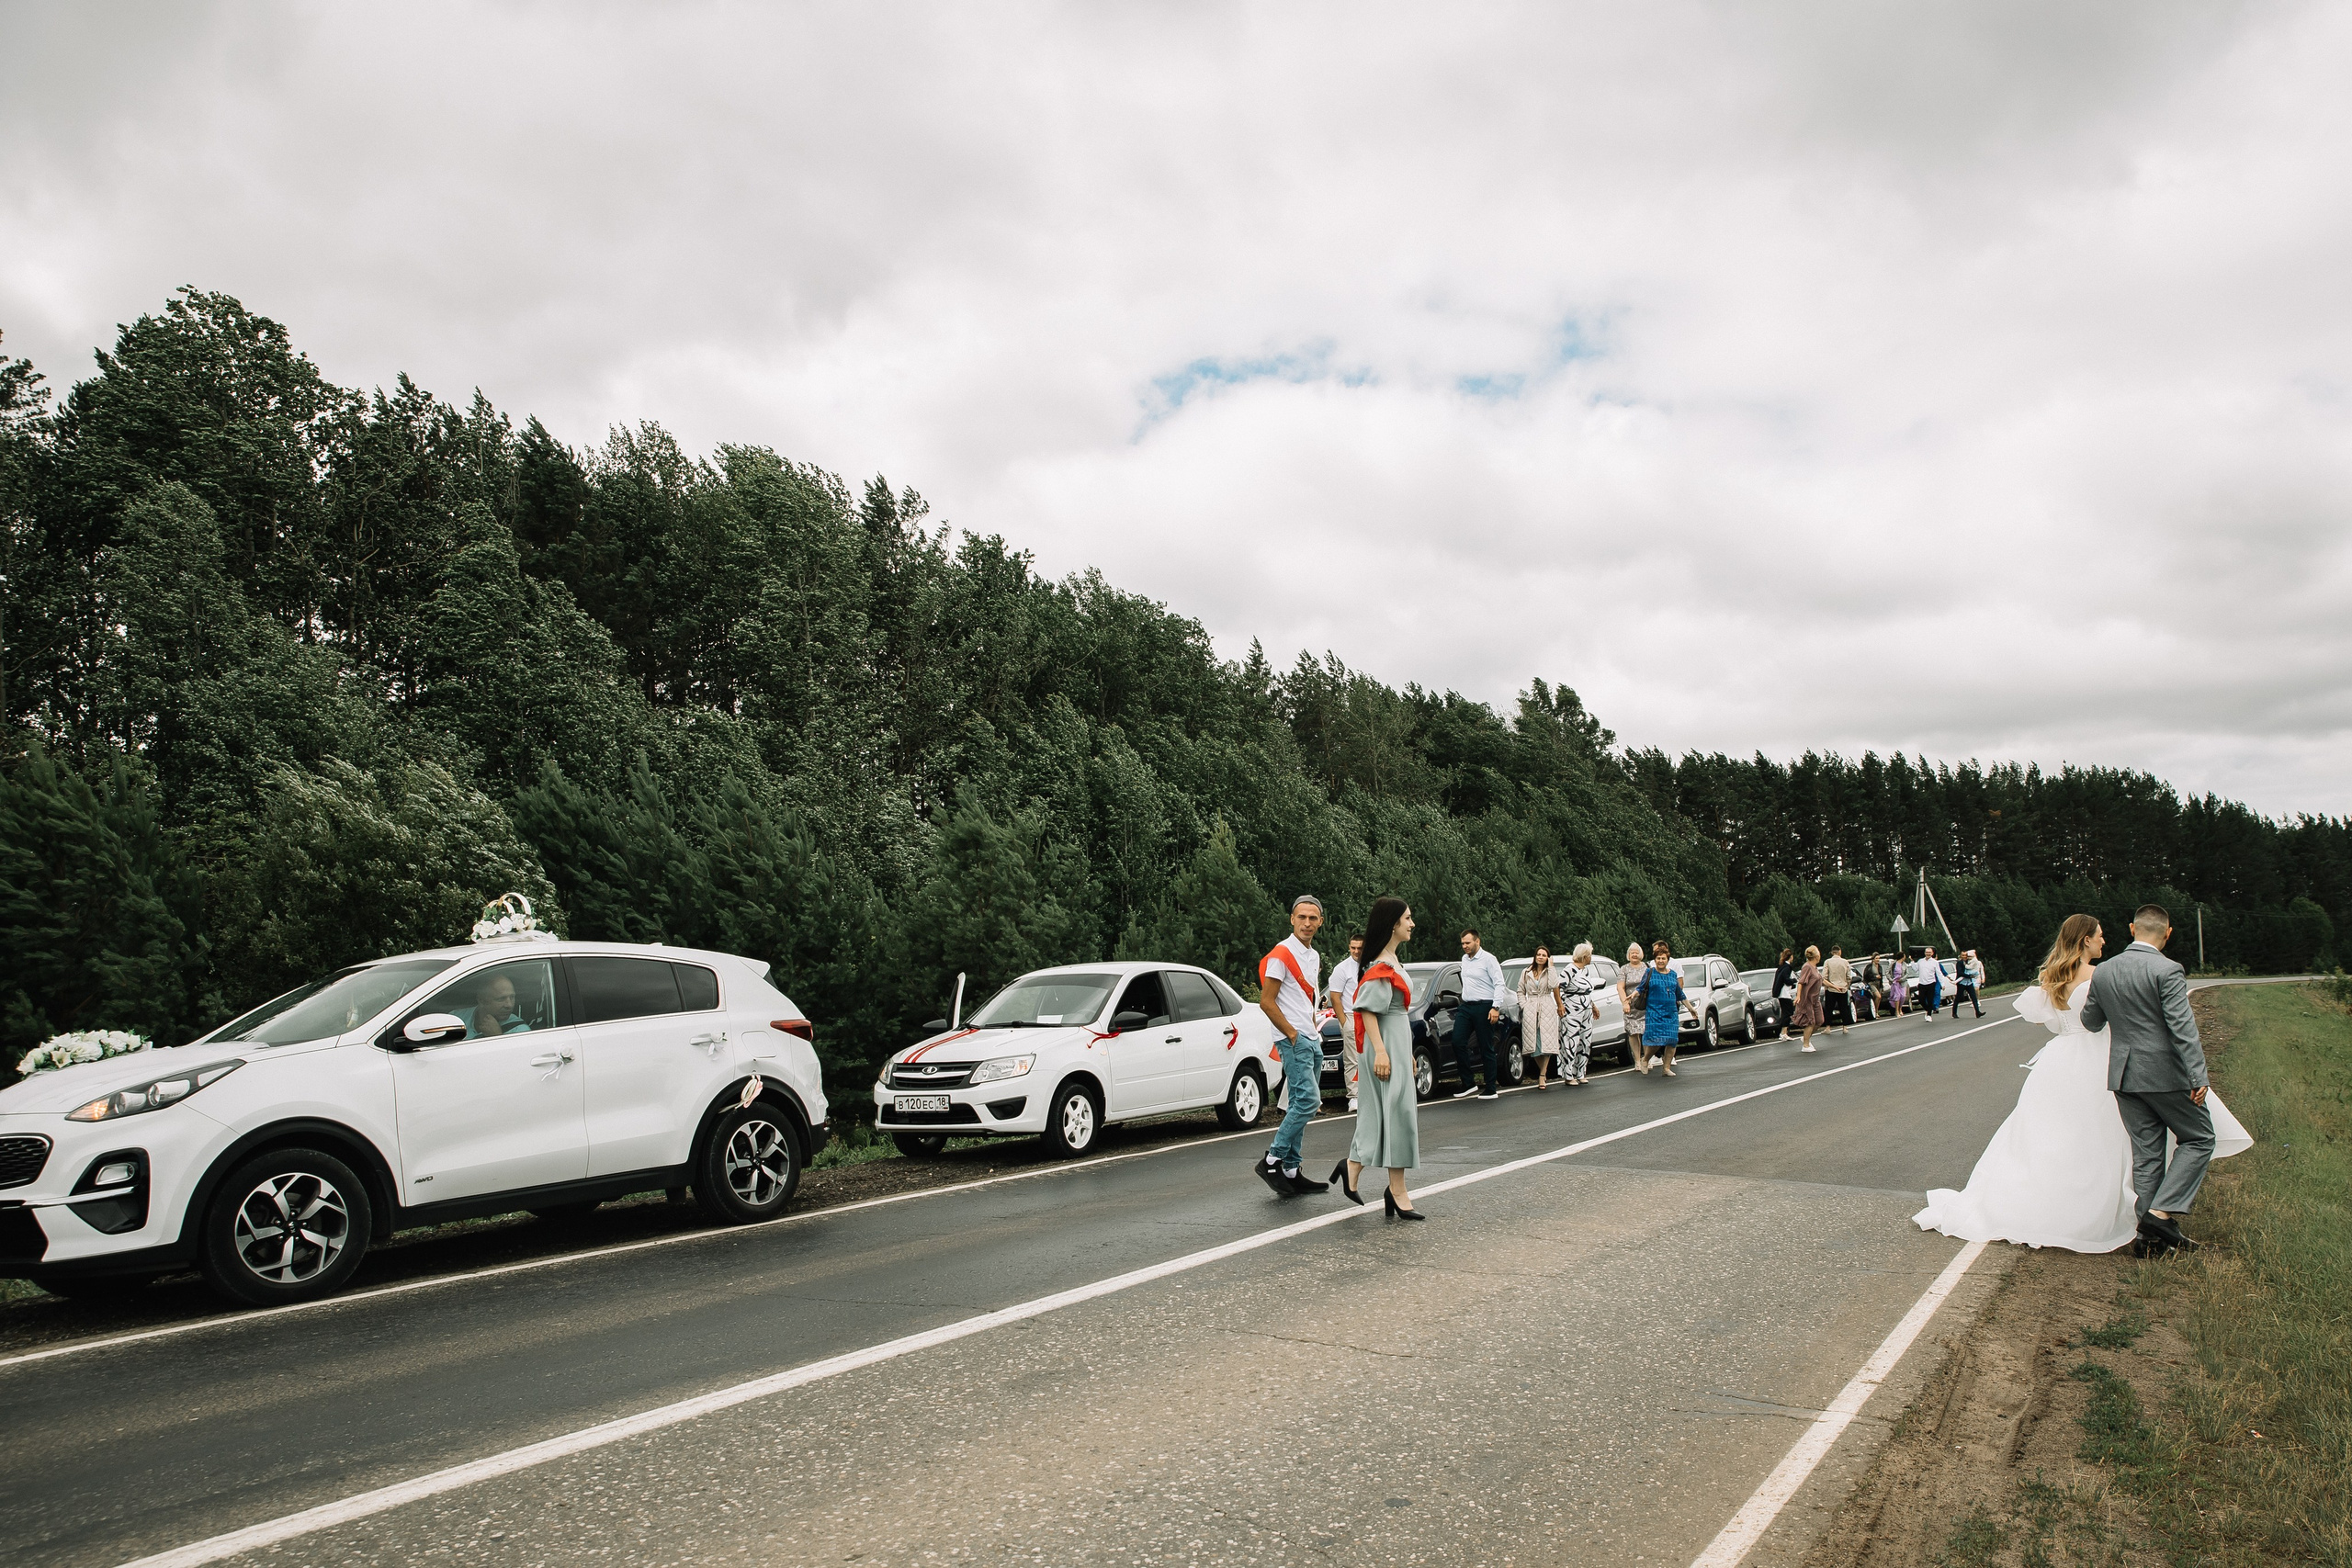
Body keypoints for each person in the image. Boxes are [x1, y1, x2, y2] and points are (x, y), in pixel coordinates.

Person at [1916, 912, 2249, 1253]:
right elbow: (2127, 1023)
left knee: (2076, 1141)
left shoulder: (2055, 976)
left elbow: (2073, 1021)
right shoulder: (2108, 972)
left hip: (2063, 1060)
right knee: (2131, 1141)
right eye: (2100, 935)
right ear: (2085, 940)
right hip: (2107, 1059)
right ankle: (2155, 1219)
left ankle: (2145, 1229)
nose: (2105, 940)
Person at [2083, 905, 2242, 1254]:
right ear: (2167, 933)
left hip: (2123, 1076)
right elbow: (2182, 1027)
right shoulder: (2167, 969)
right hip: (2164, 1074)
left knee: (2148, 1155)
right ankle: (2159, 1216)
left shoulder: (2105, 970)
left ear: (2131, 928)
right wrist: (2198, 1074)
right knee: (2200, 1138)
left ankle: (2147, 1241)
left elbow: (2091, 1021)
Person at [1340, 897, 1426, 1219]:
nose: (1412, 923)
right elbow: (1366, 1010)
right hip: (1384, 1045)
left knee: (1386, 1116)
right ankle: (1397, 1190)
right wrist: (1381, 1052)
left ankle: (1353, 1167)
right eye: (1407, 918)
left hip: (1395, 1044)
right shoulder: (1381, 965)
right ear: (1393, 923)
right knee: (1398, 1115)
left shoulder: (1390, 960)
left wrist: (1405, 1054)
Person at [1253, 896, 1330, 1197]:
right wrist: (1292, 1034)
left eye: (1313, 918)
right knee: (1309, 1101)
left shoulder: (1313, 956)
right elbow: (1266, 1001)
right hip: (1293, 1038)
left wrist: (1310, 1031)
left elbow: (1306, 999)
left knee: (1301, 1102)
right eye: (1302, 917)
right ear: (1292, 919)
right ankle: (1272, 1160)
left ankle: (1291, 1169)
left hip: (1310, 1036)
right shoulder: (1281, 954)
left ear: (1320, 921)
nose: (1307, 923)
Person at [1450, 928, 1509, 1100]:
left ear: (1477, 941)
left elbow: (1499, 984)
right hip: (1467, 1006)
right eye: (1462, 944)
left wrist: (1495, 1007)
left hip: (1485, 1006)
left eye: (1468, 943)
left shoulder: (1489, 959)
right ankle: (1468, 1083)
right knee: (1457, 1041)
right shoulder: (1464, 959)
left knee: (1485, 1046)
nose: (1465, 946)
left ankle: (1490, 1087)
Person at [1327, 934, 1365, 1112]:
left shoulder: (1371, 964)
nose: (1356, 951)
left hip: (1370, 1014)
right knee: (1352, 1059)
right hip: (1351, 1015)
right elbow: (1335, 997)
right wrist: (1344, 1022)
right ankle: (1354, 1097)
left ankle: (1372, 1094)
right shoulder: (1342, 969)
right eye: (1353, 948)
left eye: (1360, 948)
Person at [1519, 945, 1564, 1089]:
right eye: (1538, 954)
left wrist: (1551, 968)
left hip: (1546, 1006)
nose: (1540, 957)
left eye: (1544, 955)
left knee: (1547, 1042)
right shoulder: (1526, 972)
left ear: (1548, 957)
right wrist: (1524, 1005)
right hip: (1531, 1007)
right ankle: (1542, 1071)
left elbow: (1554, 985)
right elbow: (1520, 990)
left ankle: (1542, 1075)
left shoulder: (1549, 971)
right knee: (1534, 1044)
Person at [1639, 941, 1687, 1076]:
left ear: (1667, 960)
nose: (1660, 961)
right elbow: (1640, 988)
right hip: (1654, 1011)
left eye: (1663, 958)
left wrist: (1690, 1008)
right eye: (1658, 958)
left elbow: (1680, 993)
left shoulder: (1672, 974)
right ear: (1655, 960)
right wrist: (1632, 997)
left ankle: (1666, 1068)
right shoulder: (1650, 972)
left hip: (1671, 1011)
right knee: (1656, 1040)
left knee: (1672, 1040)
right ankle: (1646, 1059)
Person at [1559, 942, 1599, 1086]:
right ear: (1585, 956)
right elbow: (1558, 987)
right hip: (1572, 1008)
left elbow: (1586, 990)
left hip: (1586, 1007)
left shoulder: (1586, 971)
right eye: (1590, 955)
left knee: (1585, 1040)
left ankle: (1581, 1072)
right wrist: (1560, 1005)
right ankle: (1568, 1074)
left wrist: (1593, 1006)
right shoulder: (1569, 970)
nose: (1590, 958)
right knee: (1571, 1039)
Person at [468, 971, 531, 1038]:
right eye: (501, 999)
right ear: (481, 1001)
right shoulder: (458, 1018)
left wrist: (497, 1036)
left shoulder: (521, 1031)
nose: (509, 1005)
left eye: (512, 997)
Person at [1618, 942, 1649, 1070]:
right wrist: (1625, 1002)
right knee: (1633, 1033)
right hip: (1630, 1006)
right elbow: (1620, 987)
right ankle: (1637, 1060)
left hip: (1646, 1004)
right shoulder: (1624, 969)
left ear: (1640, 954)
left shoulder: (1647, 967)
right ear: (1628, 955)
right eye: (1632, 953)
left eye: (1637, 952)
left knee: (1646, 1031)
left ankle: (1646, 1059)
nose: (1634, 955)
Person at [1791, 944, 1826, 1051]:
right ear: (1816, 956)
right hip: (1807, 999)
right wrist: (1798, 996)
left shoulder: (1814, 967)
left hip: (1815, 999)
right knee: (1810, 1022)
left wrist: (1835, 986)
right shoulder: (1807, 967)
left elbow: (1821, 980)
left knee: (1819, 1021)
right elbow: (1801, 982)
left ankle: (1806, 1037)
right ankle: (1805, 1045)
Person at [1822, 945, 1852, 1034]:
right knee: (1844, 1008)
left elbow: (1824, 976)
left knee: (1829, 1008)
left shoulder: (1827, 962)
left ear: (1832, 952)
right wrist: (1847, 985)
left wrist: (1827, 986)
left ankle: (1828, 1027)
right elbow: (1849, 976)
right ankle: (1845, 1027)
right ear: (1840, 952)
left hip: (1831, 988)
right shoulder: (1845, 962)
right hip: (1843, 988)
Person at [1769, 948, 1797, 1039]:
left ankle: (1782, 1032)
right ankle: (1784, 1032)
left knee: (1785, 1012)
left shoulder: (1781, 967)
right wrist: (1794, 981)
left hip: (1781, 994)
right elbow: (1786, 980)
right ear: (1791, 957)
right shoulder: (1787, 967)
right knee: (1788, 1012)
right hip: (1784, 994)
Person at [1950, 950, 1984, 1019]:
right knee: (1958, 998)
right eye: (1963, 955)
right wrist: (1969, 976)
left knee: (1974, 997)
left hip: (1969, 982)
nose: (1965, 957)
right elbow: (1959, 972)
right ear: (1961, 956)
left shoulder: (1969, 962)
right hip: (1962, 983)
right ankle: (1954, 1012)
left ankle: (1978, 1012)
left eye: (1966, 955)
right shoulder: (1959, 963)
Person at [1917, 945, 1945, 1020]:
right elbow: (1916, 969)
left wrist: (1943, 984)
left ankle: (1929, 1015)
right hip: (1922, 983)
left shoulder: (1935, 962)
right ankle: (1927, 1009)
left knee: (1930, 1000)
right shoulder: (1920, 961)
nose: (1928, 954)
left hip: (1931, 983)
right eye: (1926, 952)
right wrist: (1912, 961)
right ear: (1924, 953)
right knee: (1921, 999)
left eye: (1929, 952)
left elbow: (1939, 973)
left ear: (1932, 953)